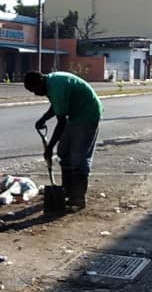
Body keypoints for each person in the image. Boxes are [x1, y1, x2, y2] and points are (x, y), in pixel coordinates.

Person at [24, 70, 103, 211]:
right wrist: (43, 119)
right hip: (75, 115)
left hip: (87, 114)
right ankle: (66, 190)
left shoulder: (57, 88)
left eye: (35, 89)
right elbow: (56, 106)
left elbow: (61, 124)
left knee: (78, 157)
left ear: (41, 81)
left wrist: (49, 148)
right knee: (64, 153)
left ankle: (78, 199)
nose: (35, 93)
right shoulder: (50, 84)